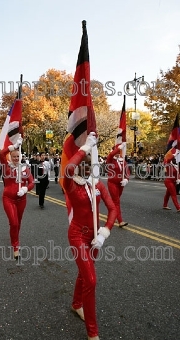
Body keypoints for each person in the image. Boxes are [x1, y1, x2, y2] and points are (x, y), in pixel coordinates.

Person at [63, 132, 117, 340]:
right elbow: (68, 169)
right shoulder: (72, 184)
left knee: (83, 274)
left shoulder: (97, 184)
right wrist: (85, 148)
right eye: (83, 164)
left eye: (90, 164)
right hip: (77, 236)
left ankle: (76, 304)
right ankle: (92, 333)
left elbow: (112, 209)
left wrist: (105, 232)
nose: (86, 167)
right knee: (91, 281)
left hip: (94, 238)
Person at [0, 137, 34, 259]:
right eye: (14, 156)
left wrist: (25, 189)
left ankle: (15, 237)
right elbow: (1, 153)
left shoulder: (25, 169)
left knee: (18, 223)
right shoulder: (6, 166)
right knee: (13, 223)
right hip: (8, 198)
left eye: (18, 157)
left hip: (21, 200)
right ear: (10, 157)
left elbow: (32, 182)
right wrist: (13, 147)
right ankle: (15, 246)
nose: (16, 158)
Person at [106, 143, 130, 227]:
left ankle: (110, 216)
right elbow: (111, 154)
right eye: (118, 151)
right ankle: (120, 221)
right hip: (112, 183)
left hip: (121, 184)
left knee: (114, 202)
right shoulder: (110, 159)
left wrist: (126, 179)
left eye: (120, 151)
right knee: (116, 202)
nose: (119, 152)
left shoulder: (122, 160)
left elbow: (127, 171)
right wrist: (119, 147)